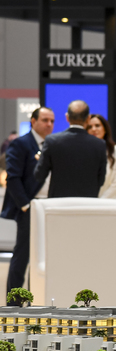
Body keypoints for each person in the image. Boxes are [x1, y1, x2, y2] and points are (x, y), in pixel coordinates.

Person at [1, 107, 54, 303]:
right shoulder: (21, 144)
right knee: (22, 256)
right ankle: (14, 303)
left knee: (43, 257)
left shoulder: (53, 144)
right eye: (45, 120)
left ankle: (36, 300)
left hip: (49, 208)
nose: (49, 124)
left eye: (52, 121)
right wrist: (25, 206)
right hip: (30, 208)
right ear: (33, 121)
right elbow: (13, 178)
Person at [34, 100, 106, 198]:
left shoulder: (52, 141)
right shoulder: (99, 144)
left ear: (67, 117)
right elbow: (101, 180)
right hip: (87, 204)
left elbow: (39, 175)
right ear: (88, 118)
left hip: (59, 204)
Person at [87, 114, 116, 198]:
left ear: (105, 129)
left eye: (97, 125)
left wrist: (100, 201)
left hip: (109, 203)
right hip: (87, 202)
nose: (94, 129)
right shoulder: (83, 151)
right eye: (90, 127)